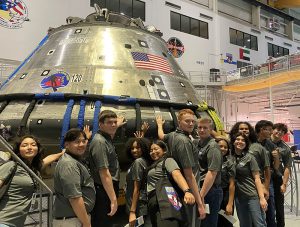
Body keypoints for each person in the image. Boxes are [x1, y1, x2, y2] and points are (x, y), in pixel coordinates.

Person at [0, 135, 64, 227]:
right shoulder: (11, 165)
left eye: (33, 145)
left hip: (16, 223)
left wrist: (63, 153)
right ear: (18, 150)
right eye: (24, 145)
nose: (29, 147)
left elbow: (48, 159)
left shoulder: (33, 171)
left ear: (38, 149)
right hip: (3, 221)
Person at [156, 109, 206, 227]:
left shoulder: (173, 135)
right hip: (190, 187)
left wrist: (159, 125)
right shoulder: (183, 141)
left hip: (178, 186)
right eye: (187, 121)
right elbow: (189, 176)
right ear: (179, 122)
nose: (191, 124)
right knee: (192, 221)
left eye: (193, 121)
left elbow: (161, 136)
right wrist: (199, 204)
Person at [146, 140, 195, 227]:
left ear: (164, 150)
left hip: (165, 201)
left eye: (156, 149)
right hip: (154, 202)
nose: (153, 152)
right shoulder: (153, 164)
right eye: (150, 150)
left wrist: (187, 191)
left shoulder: (168, 160)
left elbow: (176, 174)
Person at [53, 128, 95, 227]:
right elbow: (74, 198)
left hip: (76, 218)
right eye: (77, 142)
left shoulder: (73, 160)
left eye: (83, 141)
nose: (81, 144)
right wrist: (86, 223)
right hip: (72, 221)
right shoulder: (69, 165)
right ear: (67, 145)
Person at [88, 110, 120, 227]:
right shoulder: (100, 142)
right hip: (103, 189)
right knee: (103, 222)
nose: (113, 125)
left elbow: (112, 130)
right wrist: (113, 199)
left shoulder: (106, 138)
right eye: (109, 122)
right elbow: (104, 173)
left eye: (115, 122)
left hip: (107, 187)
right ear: (100, 125)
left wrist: (117, 124)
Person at [231, 133, 267, 227]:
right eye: (237, 139)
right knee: (244, 224)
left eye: (243, 140)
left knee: (259, 224)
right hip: (239, 197)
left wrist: (262, 198)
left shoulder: (250, 157)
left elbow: (257, 178)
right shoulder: (229, 158)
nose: (240, 142)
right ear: (233, 141)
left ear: (246, 144)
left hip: (252, 196)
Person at [229, 122, 271, 200]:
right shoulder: (232, 148)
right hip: (239, 187)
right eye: (241, 129)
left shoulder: (258, 147)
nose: (244, 130)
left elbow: (267, 169)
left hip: (257, 186)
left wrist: (266, 187)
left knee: (264, 210)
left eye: (246, 129)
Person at [194, 118, 222, 227]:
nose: (201, 130)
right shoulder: (197, 143)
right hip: (200, 187)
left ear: (211, 130)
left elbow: (212, 173)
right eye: (199, 127)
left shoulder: (213, 147)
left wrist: (201, 196)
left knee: (208, 223)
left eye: (205, 128)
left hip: (210, 190)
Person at [255, 120, 279, 227]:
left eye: (271, 129)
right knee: (253, 210)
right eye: (268, 130)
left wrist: (277, 157)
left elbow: (276, 166)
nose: (271, 132)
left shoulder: (271, 145)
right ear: (261, 130)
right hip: (252, 180)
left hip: (267, 181)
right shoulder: (250, 143)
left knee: (270, 211)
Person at [124, 137, 152, 225]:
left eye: (138, 147)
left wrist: (132, 212)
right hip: (136, 206)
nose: (134, 150)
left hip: (138, 208)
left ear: (143, 148)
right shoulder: (142, 162)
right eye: (132, 148)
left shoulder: (138, 162)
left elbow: (137, 188)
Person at [270, 123, 293, 227]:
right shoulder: (263, 142)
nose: (279, 133)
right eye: (277, 130)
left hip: (276, 178)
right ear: (272, 130)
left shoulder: (285, 148)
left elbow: (288, 167)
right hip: (262, 178)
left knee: (279, 207)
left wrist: (284, 184)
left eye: (282, 132)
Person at [216, 137, 235, 227]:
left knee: (226, 222)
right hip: (213, 193)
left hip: (225, 195)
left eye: (225, 147)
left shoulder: (229, 163)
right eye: (220, 146)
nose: (223, 149)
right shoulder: (209, 160)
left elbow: (232, 184)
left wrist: (230, 204)